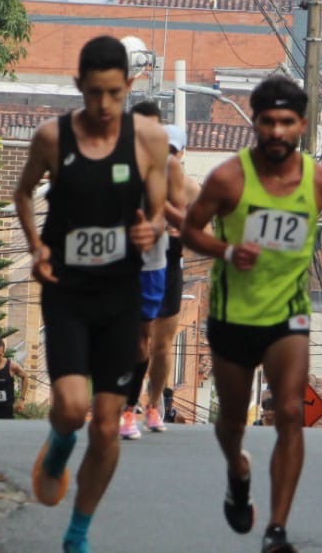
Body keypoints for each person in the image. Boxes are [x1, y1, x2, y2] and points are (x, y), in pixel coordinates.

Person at [181, 76, 322, 553]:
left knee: (291, 415)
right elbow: (190, 231)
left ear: (301, 125)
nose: (277, 131)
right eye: (268, 122)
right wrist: (226, 249)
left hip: (289, 315)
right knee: (231, 419)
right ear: (255, 123)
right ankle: (238, 470)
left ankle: (276, 529)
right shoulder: (228, 178)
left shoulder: (321, 180)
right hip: (234, 316)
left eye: (286, 122)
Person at [13, 34, 168, 553]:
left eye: (113, 94)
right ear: (78, 86)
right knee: (70, 406)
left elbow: (161, 210)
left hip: (120, 293)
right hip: (68, 291)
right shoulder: (52, 138)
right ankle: (58, 443)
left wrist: (153, 230)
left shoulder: (147, 138)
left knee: (105, 426)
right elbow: (22, 192)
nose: (103, 106)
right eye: (94, 93)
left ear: (128, 86)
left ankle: (78, 530)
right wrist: (36, 247)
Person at [117, 103, 192, 439]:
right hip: (117, 259)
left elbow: (180, 211)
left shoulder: (171, 169)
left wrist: (163, 225)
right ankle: (123, 405)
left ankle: (151, 403)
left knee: (157, 344)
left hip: (160, 261)